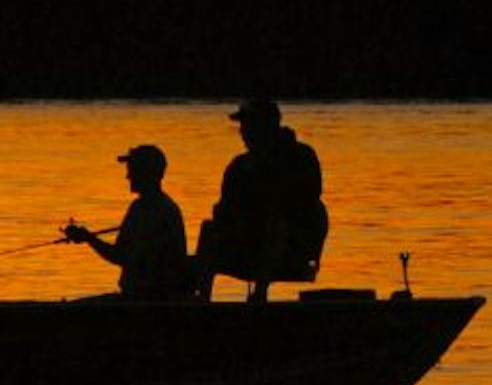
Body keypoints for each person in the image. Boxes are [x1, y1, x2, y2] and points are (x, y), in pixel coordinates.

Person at [192, 98, 326, 302]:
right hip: (246, 240)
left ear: (267, 126)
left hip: (292, 246)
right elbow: (224, 209)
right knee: (210, 230)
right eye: (243, 126)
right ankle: (199, 299)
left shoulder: (300, 157)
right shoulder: (239, 166)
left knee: (274, 224)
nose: (243, 132)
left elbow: (305, 202)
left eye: (249, 125)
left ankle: (260, 294)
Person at [63, 144, 189, 301]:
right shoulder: (145, 207)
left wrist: (90, 239)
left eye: (132, 170)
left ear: (146, 173)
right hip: (140, 297)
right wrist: (89, 238)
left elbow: (122, 256)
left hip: (148, 300)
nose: (128, 176)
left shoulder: (155, 210)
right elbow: (122, 254)